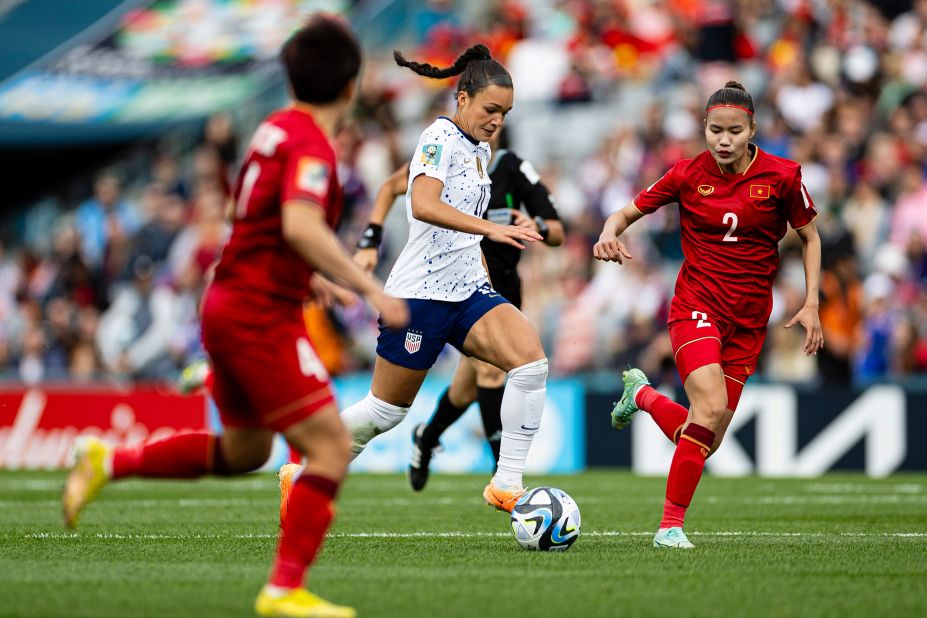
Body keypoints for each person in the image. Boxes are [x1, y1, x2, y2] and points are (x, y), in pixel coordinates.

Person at [61, 16, 408, 618]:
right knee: (327, 447)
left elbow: (255, 218)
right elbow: (299, 222)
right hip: (256, 316)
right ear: (351, 87)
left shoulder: (272, 128)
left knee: (246, 451)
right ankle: (283, 590)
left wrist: (312, 277)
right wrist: (367, 289)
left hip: (230, 301)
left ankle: (107, 461)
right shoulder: (310, 144)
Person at [310, 43, 548, 514]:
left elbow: (462, 225)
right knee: (386, 413)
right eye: (491, 109)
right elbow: (424, 204)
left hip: (467, 291)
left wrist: (487, 255)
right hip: (419, 295)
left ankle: (506, 483)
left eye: (506, 112)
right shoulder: (438, 138)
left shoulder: (479, 149)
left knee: (531, 363)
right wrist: (492, 228)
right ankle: (309, 469)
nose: (498, 120)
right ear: (462, 99)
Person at [593, 81, 824, 549]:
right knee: (711, 409)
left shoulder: (782, 176)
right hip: (697, 305)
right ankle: (669, 528)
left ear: (752, 130)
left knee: (705, 437)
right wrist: (607, 233)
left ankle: (643, 396)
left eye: (734, 131)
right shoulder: (684, 174)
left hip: (750, 320)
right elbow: (622, 214)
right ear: (703, 128)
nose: (723, 140)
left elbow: (811, 238)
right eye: (715, 130)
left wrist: (812, 302)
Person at [350, 128, 563, 490]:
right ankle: (499, 475)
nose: (491, 126)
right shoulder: (443, 152)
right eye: (489, 112)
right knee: (477, 382)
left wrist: (536, 224)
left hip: (493, 290)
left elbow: (556, 231)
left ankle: (451, 451)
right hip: (438, 288)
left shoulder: (513, 168)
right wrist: (370, 238)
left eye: (500, 115)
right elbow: (391, 188)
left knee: (477, 384)